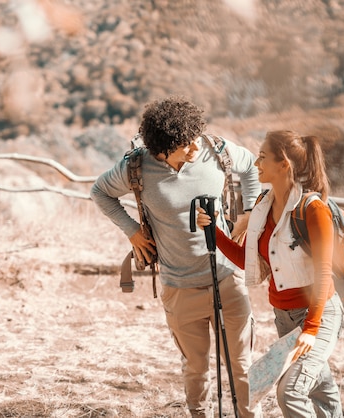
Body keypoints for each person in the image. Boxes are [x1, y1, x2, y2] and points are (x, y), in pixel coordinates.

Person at [90, 95, 262, 418]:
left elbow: (251, 166)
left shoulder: (216, 151)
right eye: (186, 145)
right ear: (162, 149)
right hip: (179, 289)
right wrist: (131, 231)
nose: (196, 149)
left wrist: (250, 211)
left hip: (227, 279)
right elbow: (99, 192)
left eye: (196, 139)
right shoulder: (137, 167)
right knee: (196, 370)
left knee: (241, 367)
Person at [197, 130, 344, 417]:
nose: (256, 164)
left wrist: (312, 329)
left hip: (319, 314)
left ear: (284, 164)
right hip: (284, 317)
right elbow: (247, 259)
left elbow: (324, 272)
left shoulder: (313, 209)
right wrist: (211, 231)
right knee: (318, 387)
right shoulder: (265, 205)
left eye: (263, 157)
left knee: (290, 392)